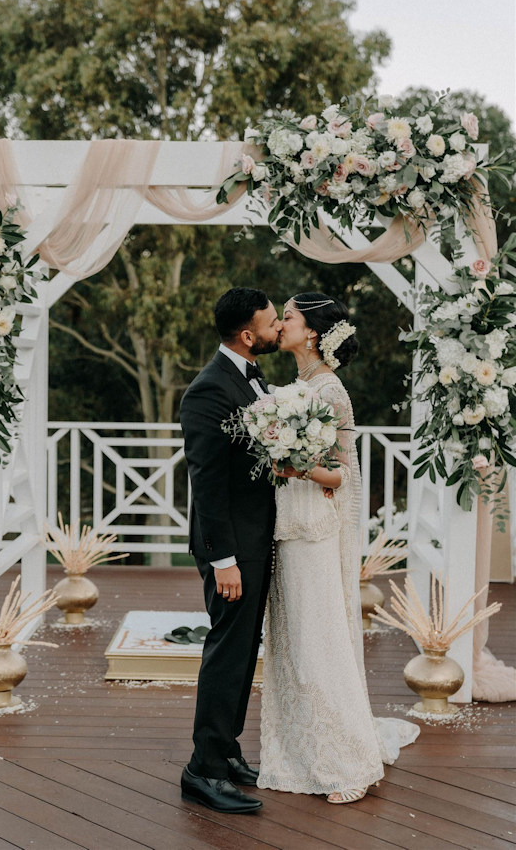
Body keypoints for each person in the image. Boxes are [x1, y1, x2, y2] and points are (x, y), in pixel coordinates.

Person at [257, 292, 419, 804]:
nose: (279, 324)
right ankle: (300, 746)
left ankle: (346, 761)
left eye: (288, 318)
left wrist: (291, 463)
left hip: (314, 529)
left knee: (318, 635)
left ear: (313, 333)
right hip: (292, 523)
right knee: (295, 638)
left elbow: (339, 473)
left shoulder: (328, 391)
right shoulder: (299, 387)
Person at [179, 287, 282, 814]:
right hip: (231, 549)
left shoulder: (250, 377)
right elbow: (207, 481)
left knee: (244, 652)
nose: (278, 328)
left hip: (255, 538)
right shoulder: (207, 391)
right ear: (247, 336)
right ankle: (203, 770)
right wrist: (223, 561)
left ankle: (228, 751)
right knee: (227, 651)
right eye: (271, 322)